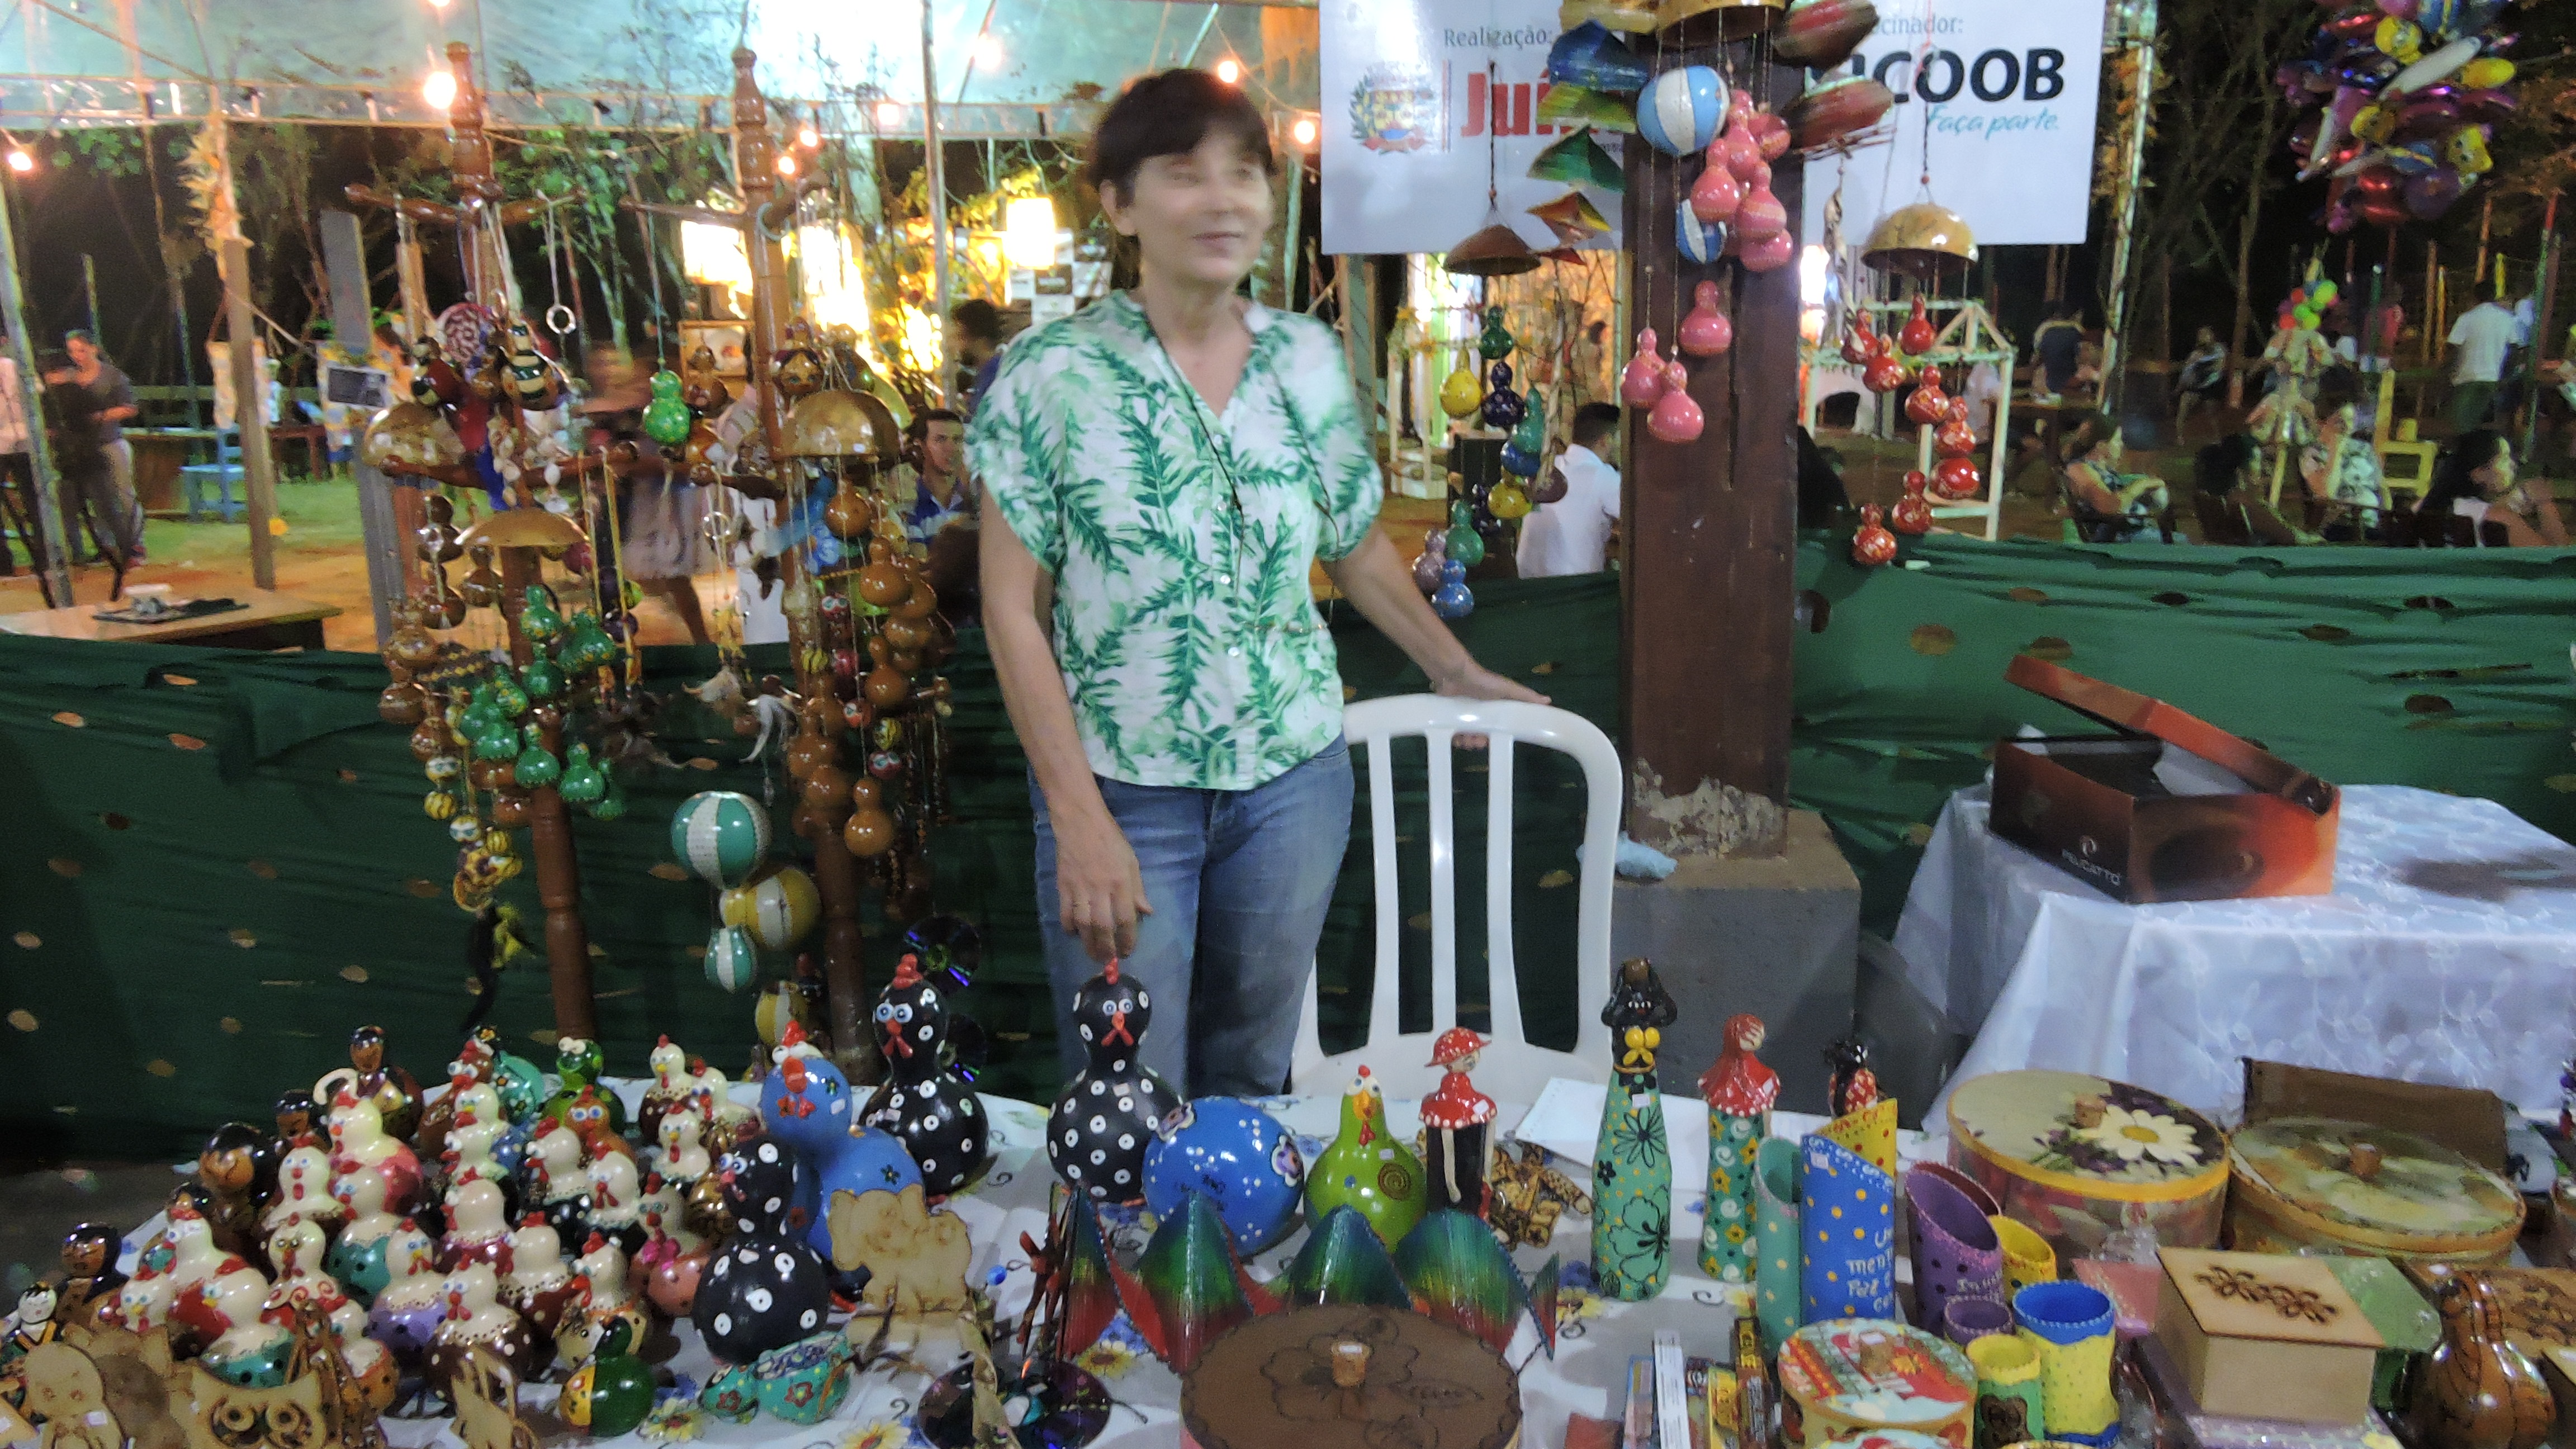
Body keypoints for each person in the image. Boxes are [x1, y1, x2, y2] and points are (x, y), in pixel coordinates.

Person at [971, 68, 1543, 1098]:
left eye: (1243, 173)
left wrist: (1452, 668)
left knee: (1250, 1077)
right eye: (1183, 173)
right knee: (1124, 1090)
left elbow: (1354, 546)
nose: (1222, 200)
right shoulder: (1048, 375)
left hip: (1292, 782)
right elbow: (1012, 607)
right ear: (1119, 204)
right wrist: (1078, 816)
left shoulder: (1304, 360)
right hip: (1123, 787)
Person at [582, 348, 712, 644]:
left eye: (644, 382)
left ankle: (699, 639)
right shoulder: (635, 417)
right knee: (644, 574)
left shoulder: (674, 420)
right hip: (641, 503)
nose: (639, 388)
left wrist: (632, 465)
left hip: (666, 506)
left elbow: (681, 465)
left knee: (673, 577)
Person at [39, 349, 131, 589]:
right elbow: (97, 416)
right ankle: (126, 550)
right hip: (91, 456)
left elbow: (50, 430)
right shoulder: (82, 392)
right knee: (106, 508)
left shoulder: (50, 399)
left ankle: (78, 555)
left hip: (69, 461)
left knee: (70, 512)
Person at [63, 330, 141, 567]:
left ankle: (136, 543)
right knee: (101, 499)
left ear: (94, 349)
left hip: (110, 441)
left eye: (81, 350)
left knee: (124, 495)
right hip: (84, 447)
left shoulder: (113, 376)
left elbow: (129, 408)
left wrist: (100, 417)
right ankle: (105, 545)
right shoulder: (70, 377)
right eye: (72, 351)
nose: (77, 356)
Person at [1516, 402, 1621, 577]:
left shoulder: (1547, 468)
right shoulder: (1603, 476)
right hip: (1572, 586)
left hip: (1527, 580)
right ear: (1607, 440)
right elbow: (1641, 522)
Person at [2421, 429, 2568, 547]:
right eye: (2504, 459)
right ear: (2478, 474)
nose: (2513, 464)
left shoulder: (2429, 506)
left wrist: (2504, 505)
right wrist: (2545, 504)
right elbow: (2557, 560)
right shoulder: (2501, 520)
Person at [2058, 410, 2172, 543]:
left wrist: (2150, 483)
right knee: (2182, 544)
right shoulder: (2081, 470)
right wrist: (2139, 486)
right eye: (2117, 441)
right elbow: (2110, 507)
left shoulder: (2100, 469)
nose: (2122, 445)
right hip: (2115, 540)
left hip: (2128, 533)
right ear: (2101, 446)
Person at [2300, 366, 2386, 536]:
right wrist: (2336, 448)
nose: (2347, 428)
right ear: (2324, 421)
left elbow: (2381, 489)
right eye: (2340, 421)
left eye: (2351, 420)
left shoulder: (2364, 449)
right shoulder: (2313, 454)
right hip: (2339, 527)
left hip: (2372, 525)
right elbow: (2326, 494)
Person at [2191, 433, 2307, 546]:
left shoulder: (2220, 501)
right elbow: (2291, 538)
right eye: (2259, 461)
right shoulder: (2248, 505)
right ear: (2241, 471)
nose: (2266, 467)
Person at [898, 408, 976, 546]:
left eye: (957, 440)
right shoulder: (910, 504)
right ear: (921, 447)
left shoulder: (973, 501)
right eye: (941, 440)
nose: (951, 448)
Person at [2447, 291, 2521, 432]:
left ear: (2474, 298)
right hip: (2492, 378)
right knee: (2486, 424)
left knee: (2462, 424)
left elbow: (2454, 348)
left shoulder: (2466, 318)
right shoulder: (2507, 318)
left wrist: (2451, 371)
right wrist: (2506, 376)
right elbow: (2514, 349)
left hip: (2466, 377)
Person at [948, 299, 1005, 414]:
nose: (954, 345)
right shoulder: (986, 376)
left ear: (981, 340)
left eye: (961, 337)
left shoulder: (995, 380)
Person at [2173, 326, 2227, 437]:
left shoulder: (2219, 349)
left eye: (2206, 334)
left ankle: (2217, 437)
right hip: (2196, 385)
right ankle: (2179, 437)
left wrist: (2208, 377)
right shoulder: (2196, 354)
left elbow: (2219, 368)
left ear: (2212, 336)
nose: (2204, 337)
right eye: (2201, 335)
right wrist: (2180, 387)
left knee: (2212, 413)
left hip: (2211, 386)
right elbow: (2187, 372)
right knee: (2183, 407)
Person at [2031, 300, 2082, 402]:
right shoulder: (2077, 330)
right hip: (2071, 381)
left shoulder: (2043, 329)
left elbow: (2037, 356)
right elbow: (2080, 357)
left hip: (2048, 381)